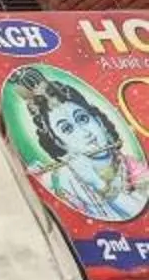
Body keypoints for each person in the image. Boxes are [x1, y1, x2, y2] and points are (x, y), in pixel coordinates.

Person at [14, 67, 149, 222]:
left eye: (83, 119)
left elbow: (137, 213)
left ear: (98, 120)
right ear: (59, 143)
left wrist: (97, 184)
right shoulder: (62, 181)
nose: (85, 133)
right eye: (67, 129)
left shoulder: (131, 167)